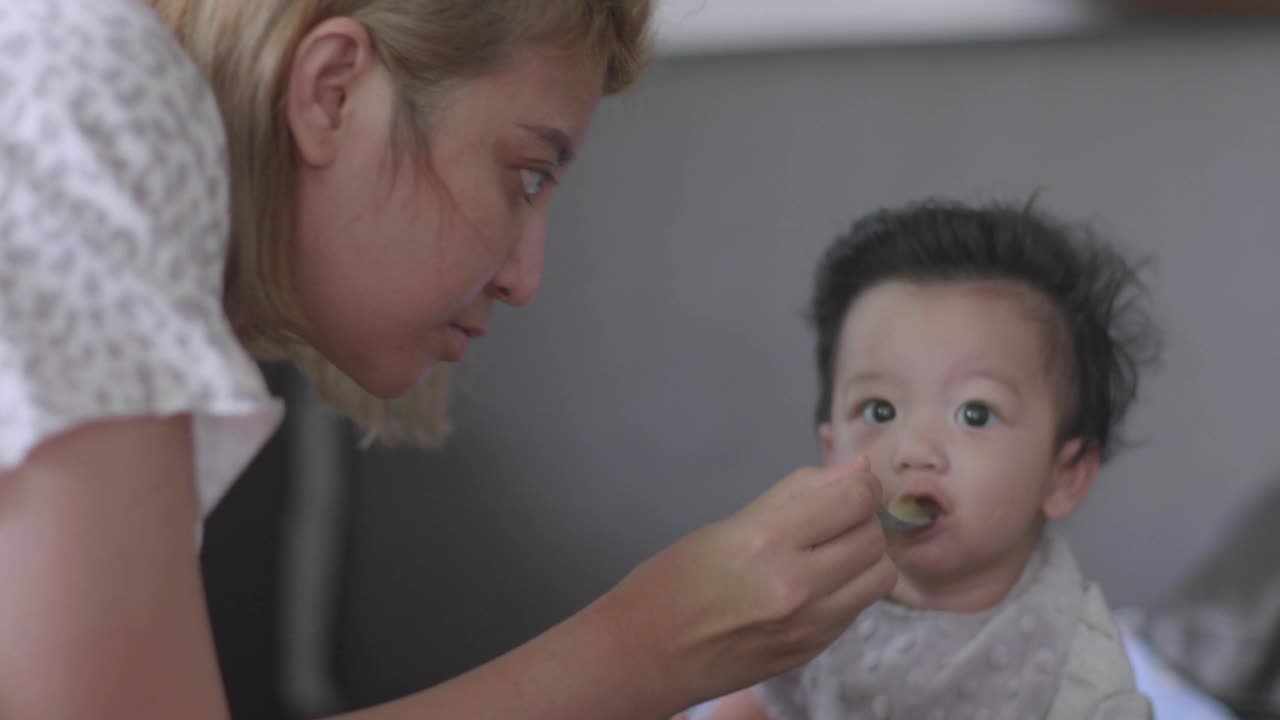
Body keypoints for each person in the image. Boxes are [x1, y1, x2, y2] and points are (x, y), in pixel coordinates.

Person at [0, 1, 899, 718]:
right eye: (527, 177)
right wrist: (648, 649)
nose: (526, 277)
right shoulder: (90, 89)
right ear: (333, 89)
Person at [696, 199, 1159, 719]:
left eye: (975, 414)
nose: (914, 450)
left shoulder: (1076, 666)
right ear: (832, 452)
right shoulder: (811, 597)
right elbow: (760, 698)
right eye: (879, 409)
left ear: (1064, 475)